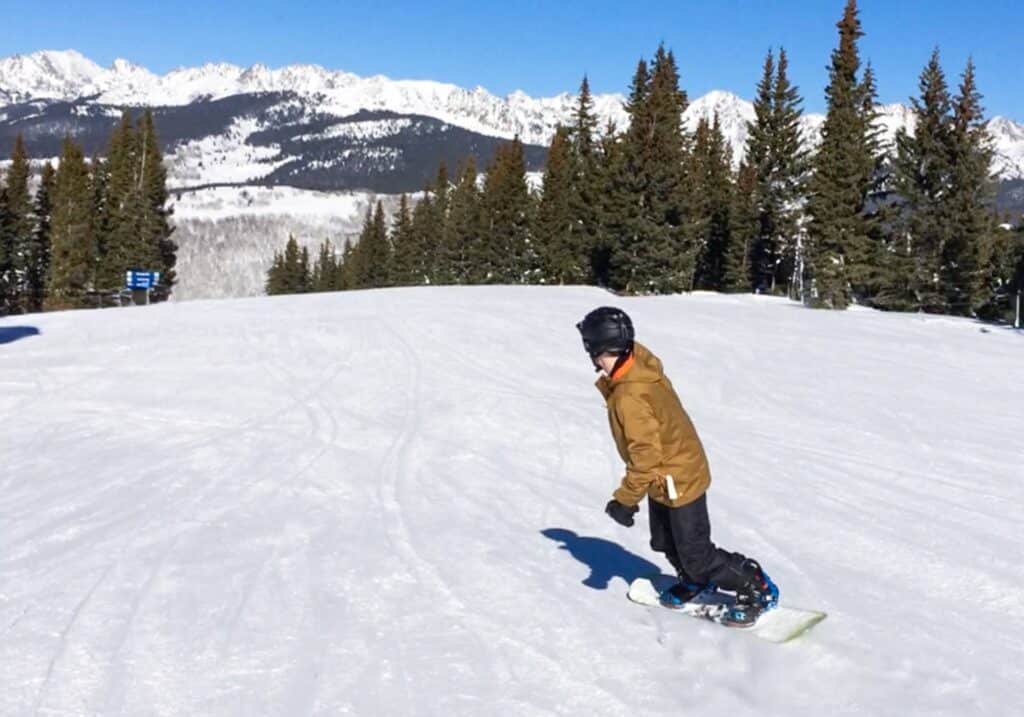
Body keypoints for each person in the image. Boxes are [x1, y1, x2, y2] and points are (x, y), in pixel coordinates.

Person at [576, 306, 778, 626]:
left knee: (697, 553)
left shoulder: (630, 393)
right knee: (665, 541)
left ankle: (755, 585)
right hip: (664, 475)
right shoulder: (637, 367)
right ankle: (695, 581)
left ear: (598, 348)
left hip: (678, 475)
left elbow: (645, 457)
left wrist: (624, 501)